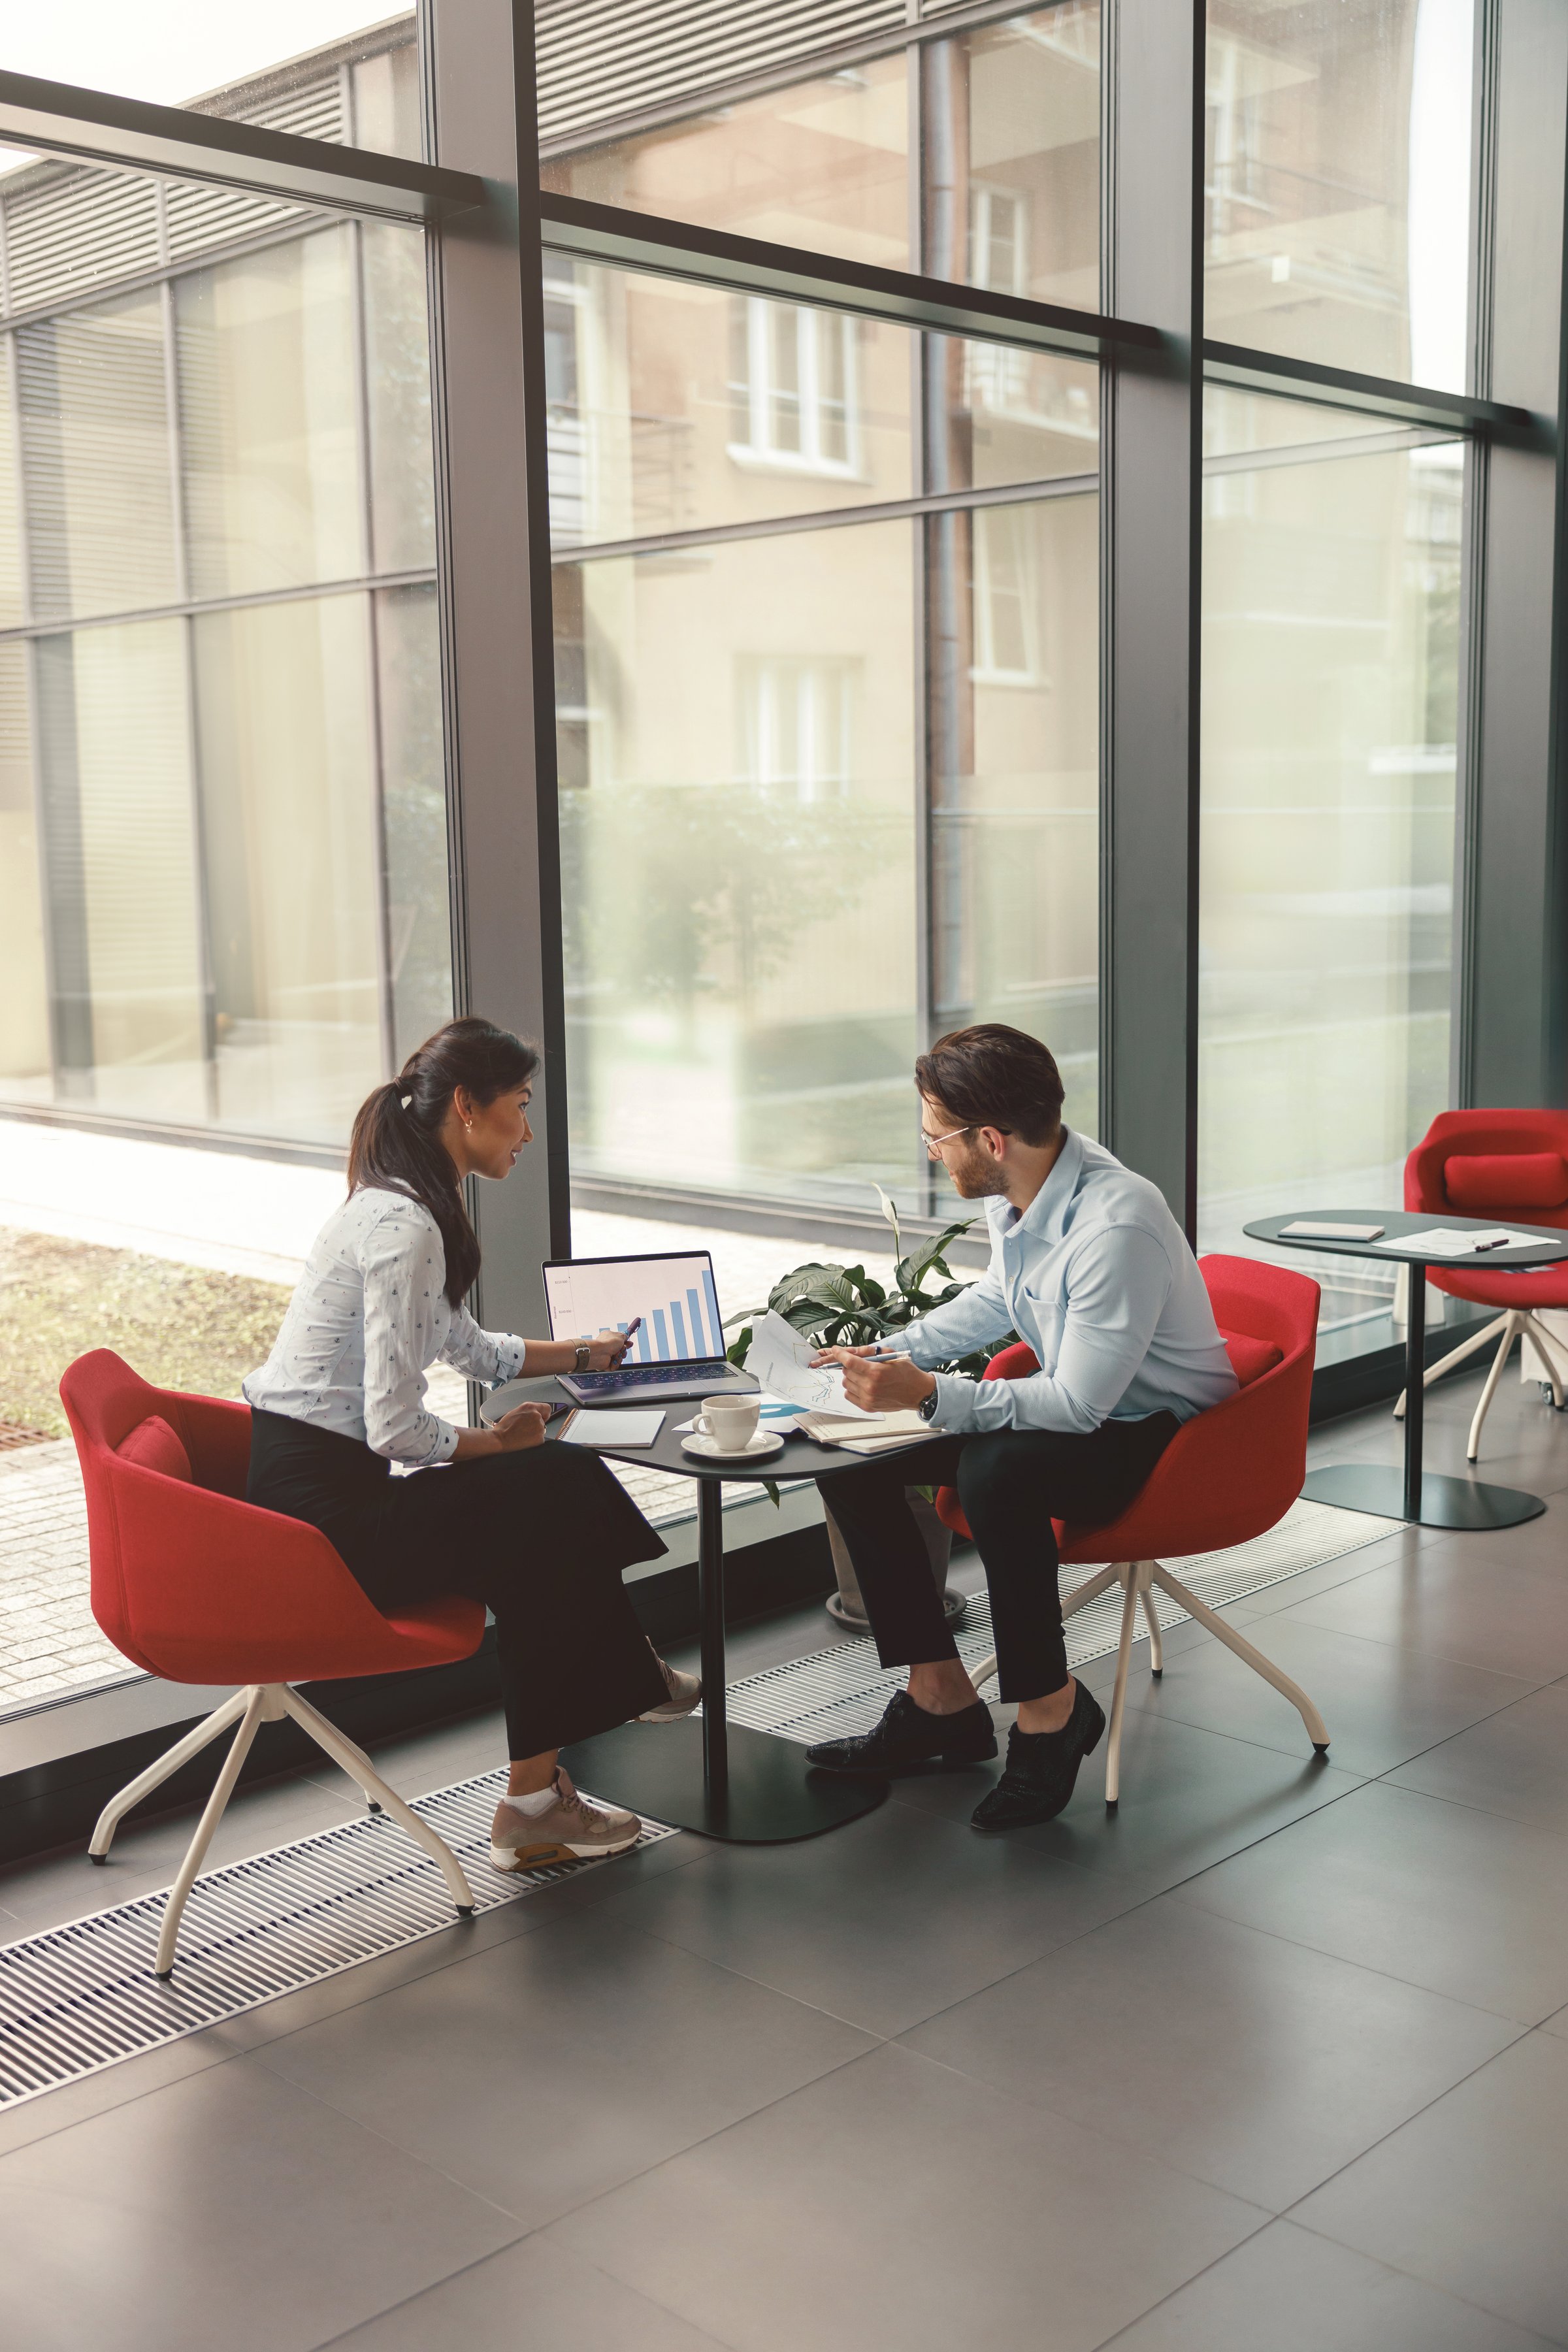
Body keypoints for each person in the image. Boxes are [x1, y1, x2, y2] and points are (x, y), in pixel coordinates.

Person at [244, 1016, 695, 1871]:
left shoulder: (390, 1203)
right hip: (322, 1528)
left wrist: (581, 1354)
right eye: (520, 1107)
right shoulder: (408, 1227)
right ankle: (607, 1695)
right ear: (467, 1106)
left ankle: (545, 1792)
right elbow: (397, 1429)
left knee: (543, 1517)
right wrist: (498, 1444)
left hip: (309, 1489)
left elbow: (466, 1345)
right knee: (550, 1487)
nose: (527, 1131)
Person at [806, 1023, 1236, 1830]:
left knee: (996, 1474)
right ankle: (940, 1701)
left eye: (936, 1134)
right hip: (1098, 1406)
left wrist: (928, 1393)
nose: (932, 1150)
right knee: (852, 1459)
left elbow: (1078, 1407)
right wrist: (889, 1351)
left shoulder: (1115, 1224)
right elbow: (1003, 1300)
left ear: (991, 1139)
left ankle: (1050, 1713)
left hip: (1167, 1437)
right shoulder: (1030, 1187)